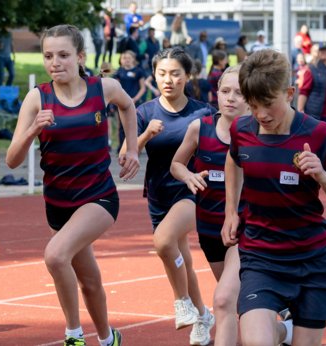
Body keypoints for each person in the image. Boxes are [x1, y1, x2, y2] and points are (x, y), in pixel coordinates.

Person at [6, 24, 139, 346]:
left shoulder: (102, 88)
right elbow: (11, 159)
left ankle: (73, 335)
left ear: (80, 57)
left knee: (54, 256)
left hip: (98, 197)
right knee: (89, 281)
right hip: (58, 204)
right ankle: (109, 339)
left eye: (64, 55)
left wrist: (132, 147)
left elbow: (128, 105)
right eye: (48, 55)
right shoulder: (38, 98)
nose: (55, 62)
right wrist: (31, 131)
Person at [225, 49, 326, 345]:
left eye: (268, 104)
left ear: (290, 93)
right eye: (254, 106)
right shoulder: (241, 130)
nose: (261, 115)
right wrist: (230, 211)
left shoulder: (320, 135)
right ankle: (280, 331)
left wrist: (322, 175)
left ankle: (285, 330)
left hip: (312, 260)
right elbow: (233, 160)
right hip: (261, 257)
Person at [127, 47, 216, 345]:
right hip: (158, 194)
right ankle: (202, 316)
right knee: (181, 259)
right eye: (162, 74)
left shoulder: (203, 112)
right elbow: (125, 154)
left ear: (187, 76)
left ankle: (182, 302)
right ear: (154, 75)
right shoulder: (144, 112)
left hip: (192, 190)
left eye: (176, 74)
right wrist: (145, 135)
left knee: (164, 241)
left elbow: (219, 148)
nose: (169, 80)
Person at [170, 65, 255, 346]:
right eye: (225, 91)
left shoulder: (258, 131)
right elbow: (176, 164)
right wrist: (189, 176)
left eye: (239, 93)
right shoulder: (200, 128)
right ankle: (278, 331)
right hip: (209, 227)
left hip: (245, 228)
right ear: (216, 94)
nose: (230, 98)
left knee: (225, 298)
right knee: (234, 301)